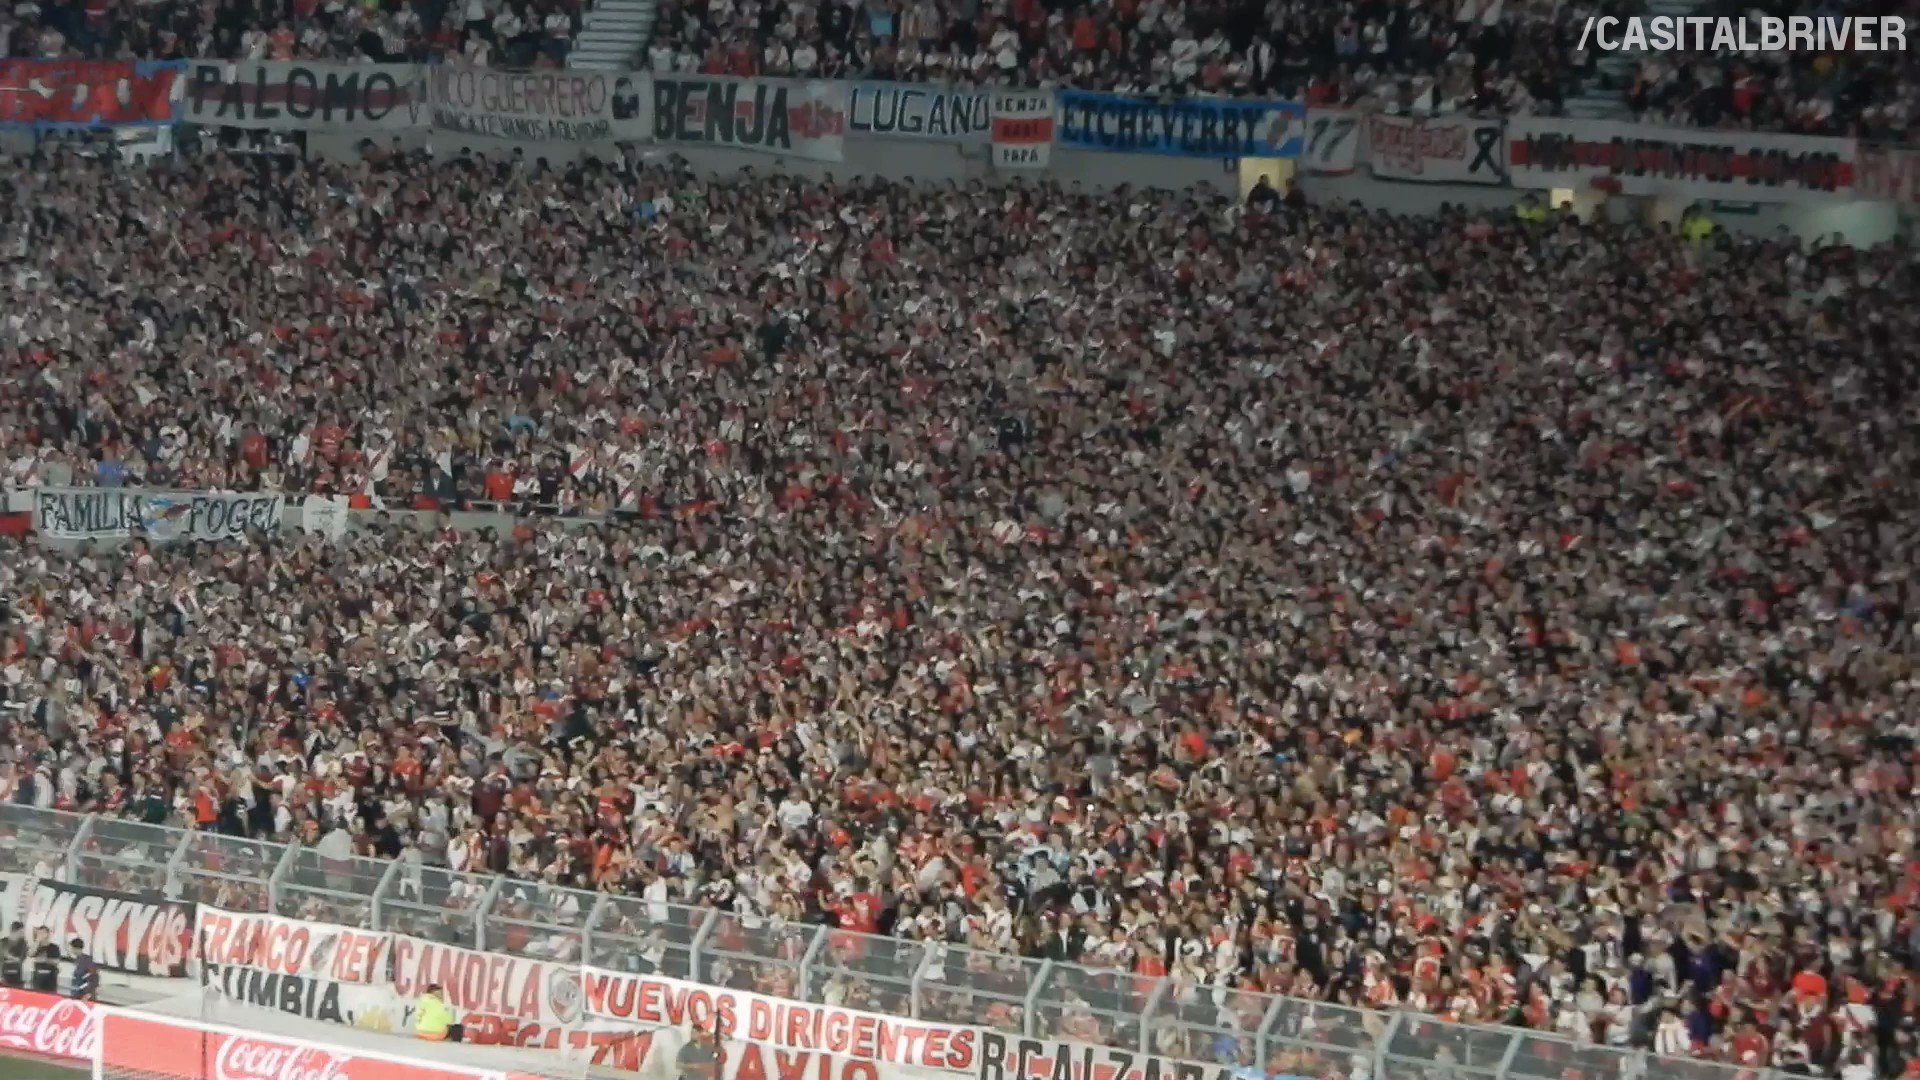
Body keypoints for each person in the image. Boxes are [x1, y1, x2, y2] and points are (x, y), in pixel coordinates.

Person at [26, 927, 61, 994]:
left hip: (50, 977)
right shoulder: (36, 946)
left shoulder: (54, 947)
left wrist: (45, 960)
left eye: (42, 933)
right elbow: (30, 954)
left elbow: (57, 961)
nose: (40, 935)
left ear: (47, 934)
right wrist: (37, 941)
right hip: (38, 976)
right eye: (39, 933)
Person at [0, 924, 25, 988]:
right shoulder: (3, 941)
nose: (23, 933)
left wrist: (9, 956)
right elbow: (1, 958)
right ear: (15, 931)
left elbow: (21, 959)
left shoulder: (23, 943)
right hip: (4, 972)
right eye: (21, 931)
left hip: (17, 972)